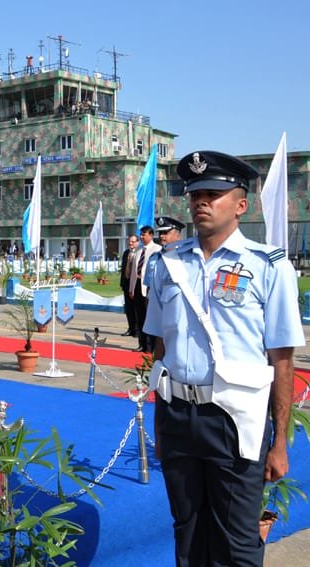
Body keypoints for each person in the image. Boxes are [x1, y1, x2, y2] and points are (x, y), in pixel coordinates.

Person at [145, 151, 304, 566]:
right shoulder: (166, 265)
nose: (201, 202)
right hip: (179, 415)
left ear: (240, 204)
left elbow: (282, 360)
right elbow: (161, 349)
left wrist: (279, 442)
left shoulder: (268, 267)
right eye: (195, 193)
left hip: (235, 419)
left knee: (236, 541)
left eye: (214, 193)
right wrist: (161, 423)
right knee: (188, 531)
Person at [127, 225, 160, 352]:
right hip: (137, 286)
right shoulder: (139, 250)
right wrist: (131, 288)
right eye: (140, 234)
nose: (141, 237)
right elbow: (134, 273)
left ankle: (151, 346)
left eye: (144, 234)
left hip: (149, 288)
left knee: (149, 317)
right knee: (139, 316)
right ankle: (142, 344)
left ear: (151, 235)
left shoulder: (157, 249)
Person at [119, 234, 139, 337]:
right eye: (129, 241)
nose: (130, 243)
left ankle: (137, 330)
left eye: (133, 241)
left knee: (136, 309)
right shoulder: (126, 253)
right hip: (126, 285)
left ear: (137, 242)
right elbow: (123, 270)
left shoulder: (139, 253)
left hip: (136, 286)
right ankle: (130, 328)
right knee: (128, 309)